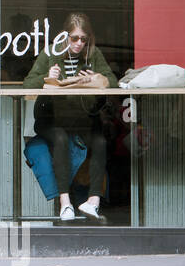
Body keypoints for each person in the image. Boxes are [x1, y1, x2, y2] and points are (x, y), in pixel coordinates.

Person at [23, 12, 117, 222]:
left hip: (82, 119)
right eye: (74, 38)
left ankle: (93, 202)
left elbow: (112, 80)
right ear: (65, 36)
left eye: (84, 39)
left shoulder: (93, 54)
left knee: (100, 141)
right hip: (51, 118)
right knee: (60, 139)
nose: (79, 43)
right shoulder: (50, 53)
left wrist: (96, 78)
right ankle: (65, 203)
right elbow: (28, 83)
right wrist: (47, 78)